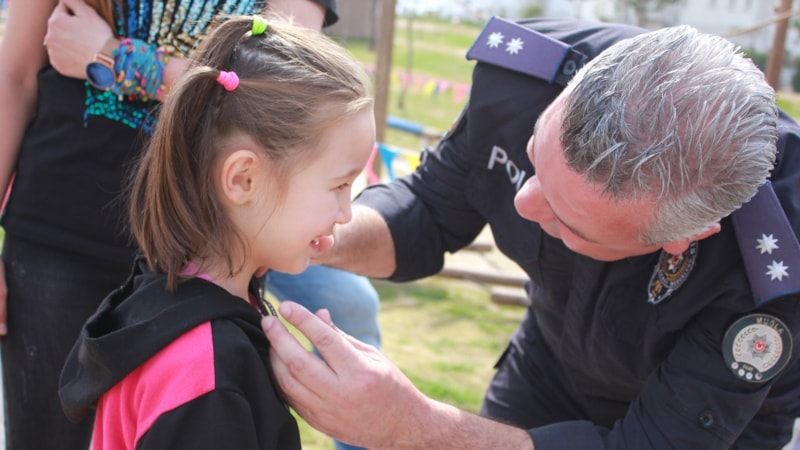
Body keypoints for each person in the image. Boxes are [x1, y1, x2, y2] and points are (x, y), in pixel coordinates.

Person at [261, 17, 800, 449]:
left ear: (686, 236)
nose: (523, 201)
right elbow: (428, 210)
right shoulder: (527, 78)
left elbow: (653, 441)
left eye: (567, 220)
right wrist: (313, 235)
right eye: (536, 161)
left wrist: (412, 426)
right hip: (548, 363)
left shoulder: (774, 265)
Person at [0, 1, 380, 450]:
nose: (346, 213)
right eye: (339, 186)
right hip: (58, 237)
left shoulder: (210, 351)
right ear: (242, 178)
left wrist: (115, 56)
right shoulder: (206, 374)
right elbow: (15, 75)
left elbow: (285, 88)